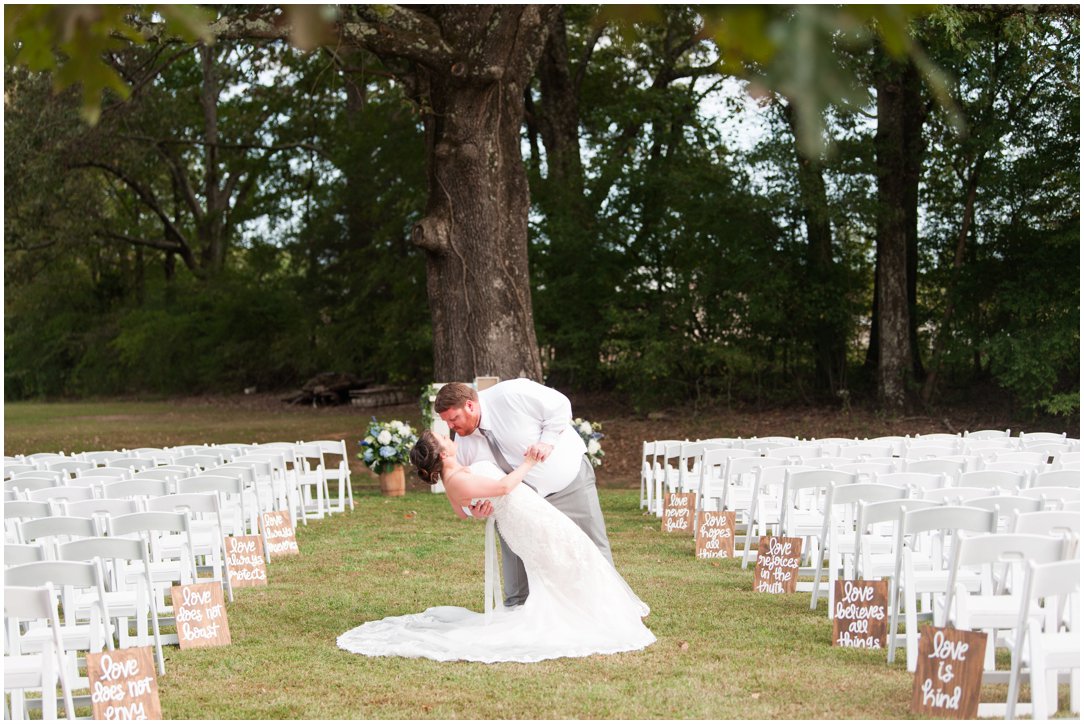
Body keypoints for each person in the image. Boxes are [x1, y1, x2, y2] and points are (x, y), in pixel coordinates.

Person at [336, 431, 654, 663]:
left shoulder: (454, 474)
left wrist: (477, 509)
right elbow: (502, 486)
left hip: (526, 515)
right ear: (442, 453)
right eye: (441, 439)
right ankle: (592, 615)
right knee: (568, 558)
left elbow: (462, 510)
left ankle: (594, 609)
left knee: (573, 555)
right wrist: (529, 462)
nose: (447, 437)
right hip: (526, 519)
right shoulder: (456, 479)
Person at [434, 379, 611, 607]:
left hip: (569, 481)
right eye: (446, 422)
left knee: (592, 541)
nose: (451, 427)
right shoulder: (463, 443)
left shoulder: (511, 393)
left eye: (453, 419)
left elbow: (560, 405)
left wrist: (547, 442)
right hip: (522, 503)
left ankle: (610, 603)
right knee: (513, 545)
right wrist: (476, 509)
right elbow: (469, 486)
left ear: (469, 405)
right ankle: (517, 607)